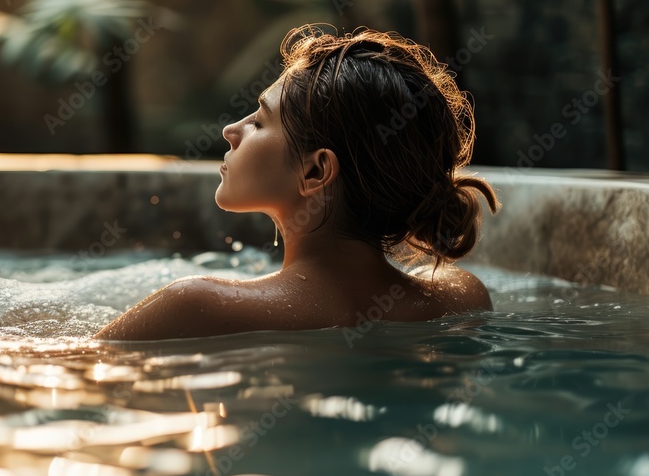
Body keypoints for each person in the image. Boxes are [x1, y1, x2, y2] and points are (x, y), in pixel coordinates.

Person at [94, 25, 499, 341]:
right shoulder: (460, 297)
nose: (231, 130)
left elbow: (62, 376)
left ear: (314, 173)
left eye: (258, 121)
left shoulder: (196, 306)